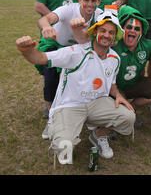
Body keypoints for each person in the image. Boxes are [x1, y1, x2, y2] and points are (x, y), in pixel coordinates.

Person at [16, 11, 135, 164]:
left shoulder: (115, 58)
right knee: (64, 150)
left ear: (115, 37)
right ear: (95, 32)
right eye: (103, 30)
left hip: (96, 103)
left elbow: (111, 83)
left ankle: (98, 135)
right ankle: (55, 123)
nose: (107, 35)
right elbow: (40, 58)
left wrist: (118, 95)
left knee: (128, 117)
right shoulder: (77, 52)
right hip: (70, 105)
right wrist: (26, 51)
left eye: (111, 32)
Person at [37, 0, 104, 125]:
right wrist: (47, 27)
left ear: (99, 1)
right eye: (86, 0)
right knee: (51, 77)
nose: (90, 4)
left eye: (93, 0)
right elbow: (44, 19)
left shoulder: (100, 15)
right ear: (79, 0)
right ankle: (49, 110)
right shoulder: (68, 9)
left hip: (79, 49)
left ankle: (78, 108)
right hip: (57, 44)